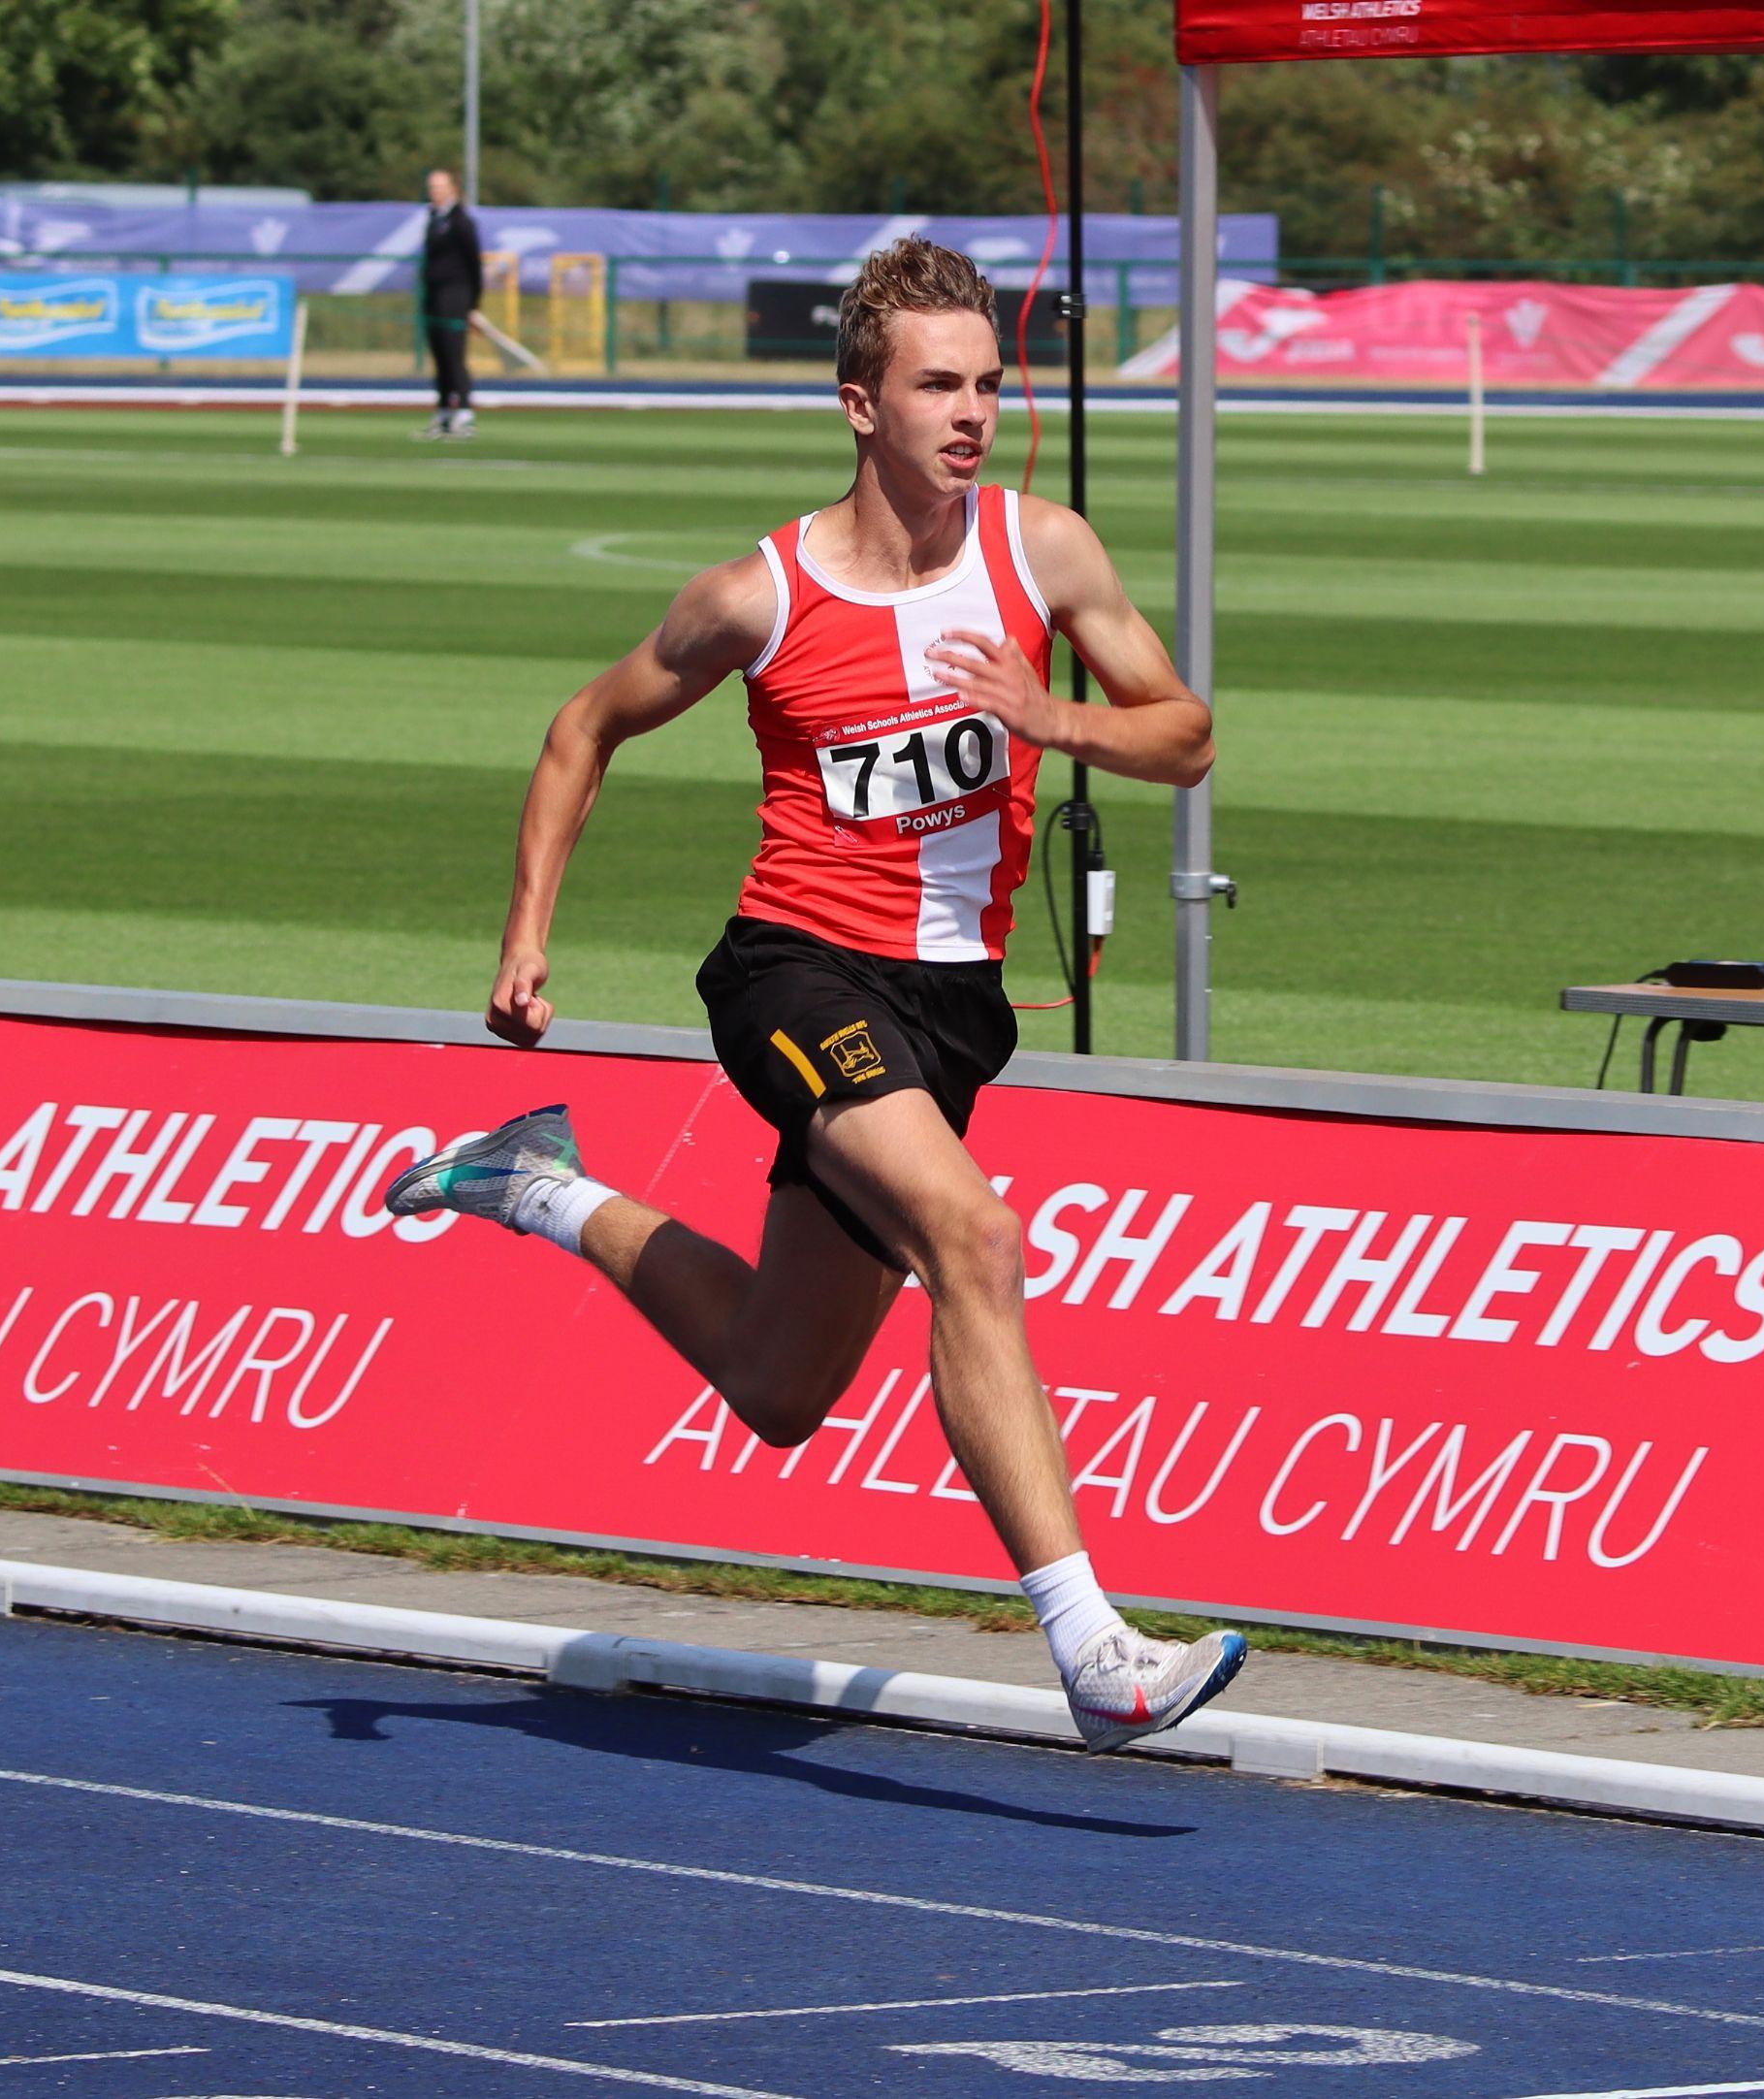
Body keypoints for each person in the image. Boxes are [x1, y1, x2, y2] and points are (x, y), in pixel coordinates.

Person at [388, 237, 1243, 1755]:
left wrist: (1048, 715)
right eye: (935, 385)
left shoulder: (1043, 551)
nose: (970, 411)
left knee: (779, 1387)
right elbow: (582, 728)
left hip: (952, 1005)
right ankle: (1092, 1650)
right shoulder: (757, 596)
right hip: (791, 973)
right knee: (970, 1236)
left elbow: (1182, 737)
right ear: (861, 406)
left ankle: (533, 1186)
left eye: (988, 381)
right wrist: (524, 934)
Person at [416, 169, 481, 438]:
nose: (435, 192)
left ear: (452, 189)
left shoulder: (461, 221)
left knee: (455, 356)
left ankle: (464, 413)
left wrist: (473, 304)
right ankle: (443, 413)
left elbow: (473, 264)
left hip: (455, 298)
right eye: (432, 187)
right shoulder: (433, 218)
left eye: (441, 187)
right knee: (440, 357)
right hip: (434, 298)